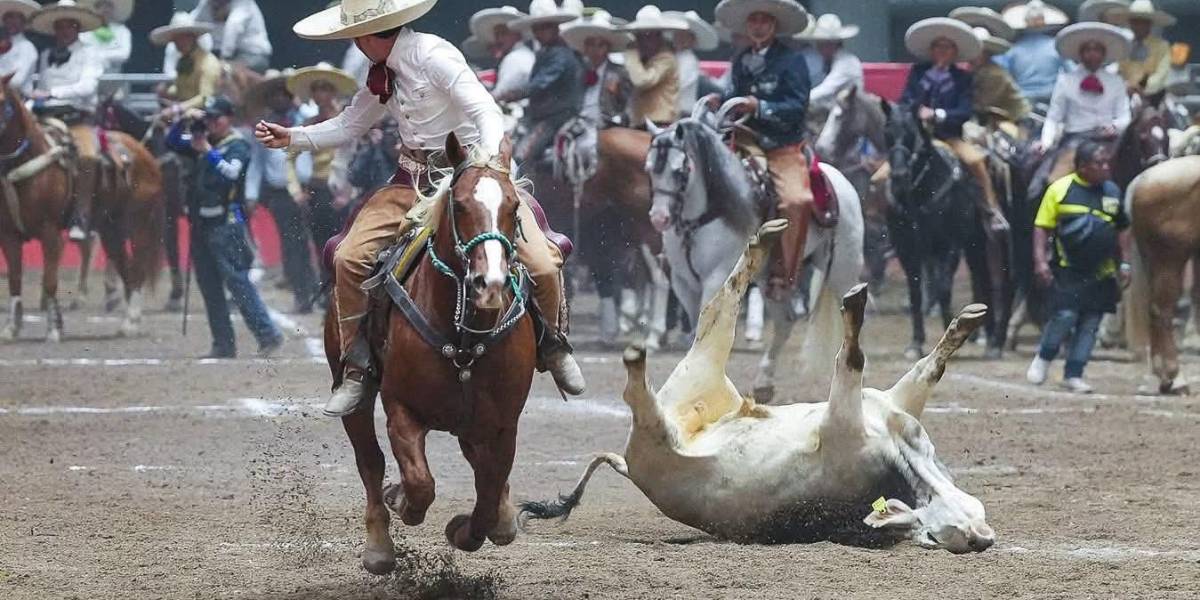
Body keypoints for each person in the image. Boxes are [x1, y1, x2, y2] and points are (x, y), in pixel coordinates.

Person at [256, 0, 586, 417]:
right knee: (349, 257)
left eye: (352, 37)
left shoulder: (434, 54)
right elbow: (350, 124)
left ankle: (554, 345)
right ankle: (356, 366)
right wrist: (294, 137)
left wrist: (486, 166)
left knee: (540, 258)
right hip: (410, 181)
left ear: (364, 36)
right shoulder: (381, 74)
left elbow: (485, 109)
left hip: (472, 177)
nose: (353, 44)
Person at [710, 0, 812, 301]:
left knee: (796, 200)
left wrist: (760, 106)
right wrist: (723, 100)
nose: (757, 26)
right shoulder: (741, 59)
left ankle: (786, 276)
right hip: (743, 139)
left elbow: (798, 106)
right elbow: (734, 95)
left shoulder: (793, 61)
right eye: (753, 21)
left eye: (764, 21)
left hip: (782, 145)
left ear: (774, 26)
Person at [168, 96, 284, 359]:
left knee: (237, 281)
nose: (211, 123)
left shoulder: (237, 145)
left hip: (226, 224)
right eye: (207, 118)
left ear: (229, 118)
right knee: (209, 286)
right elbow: (171, 142)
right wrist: (184, 120)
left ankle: (268, 334)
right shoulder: (202, 142)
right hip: (201, 223)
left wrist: (207, 151)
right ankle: (223, 344)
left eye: (216, 118)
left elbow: (231, 173)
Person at [1026, 141, 1128, 393]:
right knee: (1066, 315)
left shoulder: (1113, 192)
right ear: (1082, 167)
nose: (1106, 167)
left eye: (1107, 162)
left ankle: (1074, 373)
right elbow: (1042, 227)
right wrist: (1040, 261)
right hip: (1067, 267)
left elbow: (1123, 228)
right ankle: (1044, 357)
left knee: (1091, 322)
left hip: (1101, 271)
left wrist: (1124, 263)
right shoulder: (1060, 189)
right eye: (1099, 163)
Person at [901, 18, 1008, 232]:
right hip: (917, 138)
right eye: (937, 46)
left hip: (950, 136)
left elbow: (964, 111)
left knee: (976, 161)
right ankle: (882, 217)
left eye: (946, 47)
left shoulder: (962, 78)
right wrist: (918, 109)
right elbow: (904, 102)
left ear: (954, 51)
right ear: (931, 50)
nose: (941, 51)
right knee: (883, 174)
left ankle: (991, 209)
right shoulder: (919, 72)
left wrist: (937, 114)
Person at [28, 1, 105, 243]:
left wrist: (53, 93)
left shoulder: (90, 53)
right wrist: (30, 106)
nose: (63, 31)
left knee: (88, 157)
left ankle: (81, 216)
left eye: (69, 26)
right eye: (59, 26)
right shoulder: (45, 55)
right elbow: (39, 90)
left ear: (77, 27)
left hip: (77, 118)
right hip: (46, 117)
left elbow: (88, 86)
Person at [245, 69, 320, 315]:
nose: (280, 99)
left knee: (317, 240)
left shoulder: (307, 118)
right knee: (292, 243)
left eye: (284, 94)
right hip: (280, 194)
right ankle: (302, 293)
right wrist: (252, 194)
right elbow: (256, 163)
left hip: (312, 189)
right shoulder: (263, 129)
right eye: (274, 96)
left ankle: (318, 291)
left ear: (292, 97)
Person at [1032, 23, 1131, 195]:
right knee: (1051, 181)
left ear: (1104, 54)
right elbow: (1054, 117)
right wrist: (1046, 142)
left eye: (1097, 50)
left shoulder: (1116, 81)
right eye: (1088, 50)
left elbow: (1124, 115)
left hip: (1109, 140)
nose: (1092, 54)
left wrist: (1115, 126)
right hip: (1076, 140)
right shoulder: (1066, 81)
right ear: (1080, 54)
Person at [285, 63, 358, 272]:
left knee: (346, 247)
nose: (319, 94)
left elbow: (357, 155)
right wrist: (295, 189)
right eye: (315, 89)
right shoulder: (309, 124)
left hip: (342, 190)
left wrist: (351, 190)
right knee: (321, 245)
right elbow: (289, 157)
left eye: (324, 88)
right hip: (317, 190)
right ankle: (328, 296)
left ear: (333, 91)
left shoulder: (348, 120)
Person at [497, 0, 584, 166]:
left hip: (556, 117)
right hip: (540, 115)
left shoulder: (560, 54)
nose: (538, 33)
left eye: (544, 27)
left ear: (555, 27)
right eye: (536, 28)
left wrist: (508, 95)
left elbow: (539, 84)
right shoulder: (548, 51)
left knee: (521, 156)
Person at [951, 8, 1030, 137]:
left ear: (987, 53)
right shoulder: (974, 70)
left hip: (1015, 120)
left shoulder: (995, 74)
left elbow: (983, 103)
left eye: (977, 52)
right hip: (992, 118)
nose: (972, 56)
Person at [561, 10, 632, 125]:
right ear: (585, 48)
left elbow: (629, 104)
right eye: (591, 44)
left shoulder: (619, 73)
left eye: (600, 45)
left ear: (608, 48)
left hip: (607, 127)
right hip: (579, 125)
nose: (595, 50)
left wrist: (618, 120)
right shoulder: (578, 72)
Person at [620, 6, 686, 128]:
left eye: (649, 35)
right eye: (639, 36)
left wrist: (631, 55)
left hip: (660, 125)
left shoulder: (666, 58)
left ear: (659, 36)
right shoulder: (642, 61)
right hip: (639, 123)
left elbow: (642, 81)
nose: (642, 41)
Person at [996, 0, 1070, 106]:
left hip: (1022, 100)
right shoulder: (1057, 46)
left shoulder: (1013, 50)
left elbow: (1003, 75)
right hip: (1052, 99)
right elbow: (1071, 71)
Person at [794, 13, 863, 115]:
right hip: (834, 111)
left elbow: (826, 90)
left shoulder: (846, 63)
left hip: (850, 115)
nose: (818, 48)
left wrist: (798, 101)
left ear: (832, 43)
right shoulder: (830, 61)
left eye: (821, 43)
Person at [1111, 0, 1175, 96]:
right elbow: (1120, 70)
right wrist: (1124, 86)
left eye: (1143, 22)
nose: (1139, 26)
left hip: (1153, 96)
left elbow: (1161, 75)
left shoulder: (1162, 46)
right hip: (1125, 93)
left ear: (1150, 24)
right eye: (1135, 22)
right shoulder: (1125, 45)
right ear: (1130, 23)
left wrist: (1140, 87)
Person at [470, 6, 534, 101]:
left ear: (517, 34)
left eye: (503, 33)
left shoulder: (516, 57)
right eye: (497, 35)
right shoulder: (521, 54)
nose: (499, 39)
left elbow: (503, 92)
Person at [191, 0, 271, 72]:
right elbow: (193, 22)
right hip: (221, 52)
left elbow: (233, 27)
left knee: (224, 71)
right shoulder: (207, 3)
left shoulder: (244, 3)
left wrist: (223, 60)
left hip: (253, 55)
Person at [664, 10, 718, 116]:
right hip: (670, 111)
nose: (679, 38)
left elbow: (678, 85)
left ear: (692, 40)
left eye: (684, 35)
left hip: (681, 114)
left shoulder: (689, 60)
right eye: (678, 34)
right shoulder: (674, 57)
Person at [79, 0, 131, 73]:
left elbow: (124, 54)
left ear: (113, 10)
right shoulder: (85, 30)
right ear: (94, 9)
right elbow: (79, 52)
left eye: (108, 6)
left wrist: (100, 56)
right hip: (87, 77)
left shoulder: (122, 30)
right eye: (101, 6)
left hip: (113, 79)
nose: (105, 9)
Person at [0, 1, 38, 91]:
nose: (12, 22)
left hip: (16, 99)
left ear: (23, 23)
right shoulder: (3, 45)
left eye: (17, 19)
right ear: (4, 21)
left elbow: (16, 81)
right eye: (9, 17)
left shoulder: (27, 47)